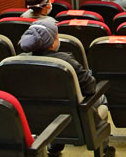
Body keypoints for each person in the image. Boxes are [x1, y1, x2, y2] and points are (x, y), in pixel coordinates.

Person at [17, 21, 110, 157]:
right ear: (51, 42)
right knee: (101, 97)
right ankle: (104, 147)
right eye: (57, 36)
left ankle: (55, 146)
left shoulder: (16, 62)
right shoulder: (66, 62)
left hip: (35, 121)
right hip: (73, 121)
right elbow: (90, 88)